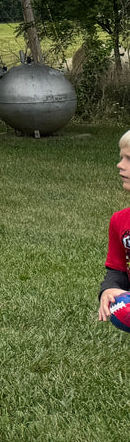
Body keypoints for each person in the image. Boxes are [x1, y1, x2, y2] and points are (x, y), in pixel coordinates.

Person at [96, 130, 130, 323]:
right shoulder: (120, 221)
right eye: (121, 157)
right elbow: (118, 270)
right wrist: (109, 289)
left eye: (129, 159)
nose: (120, 165)